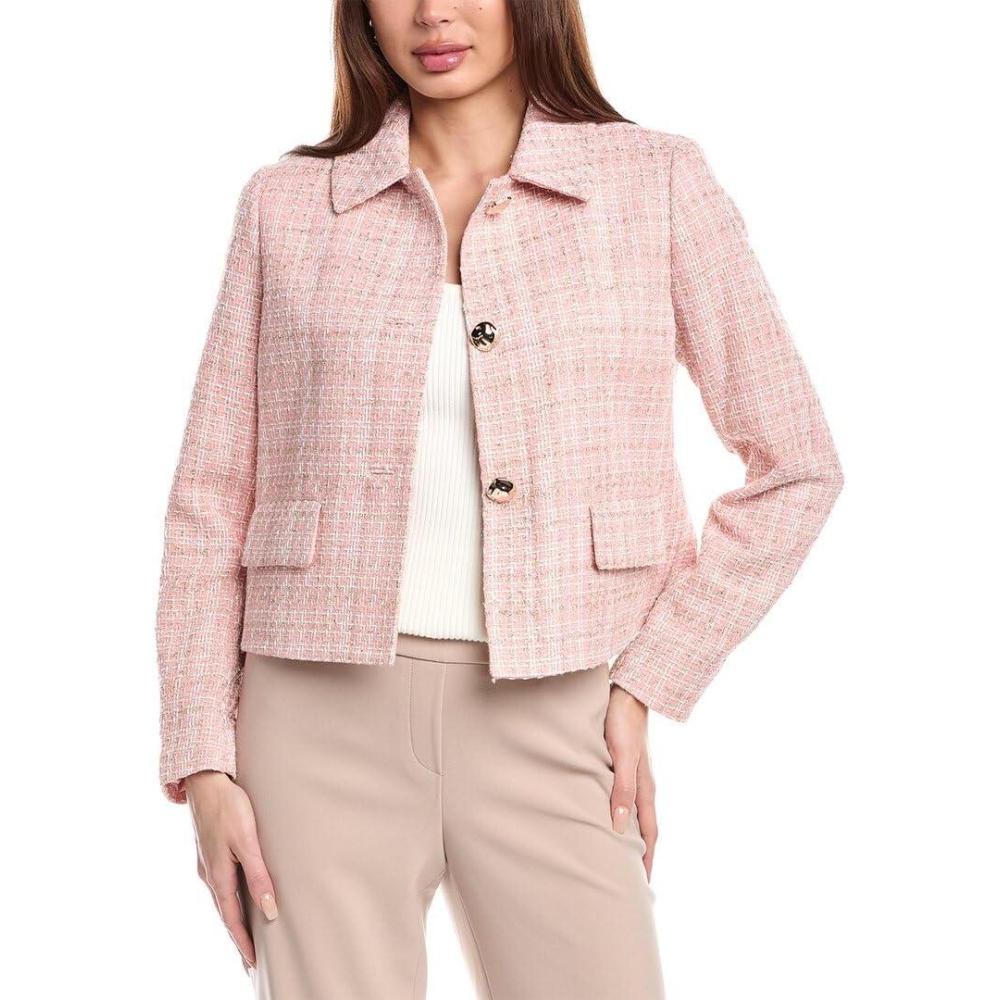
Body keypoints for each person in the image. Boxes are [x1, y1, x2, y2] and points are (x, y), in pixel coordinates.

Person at [155, 0, 843, 996]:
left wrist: (650, 678)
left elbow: (796, 464)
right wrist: (203, 761)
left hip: (557, 710)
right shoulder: (288, 204)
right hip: (311, 725)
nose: (434, 13)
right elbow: (210, 498)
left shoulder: (653, 182)